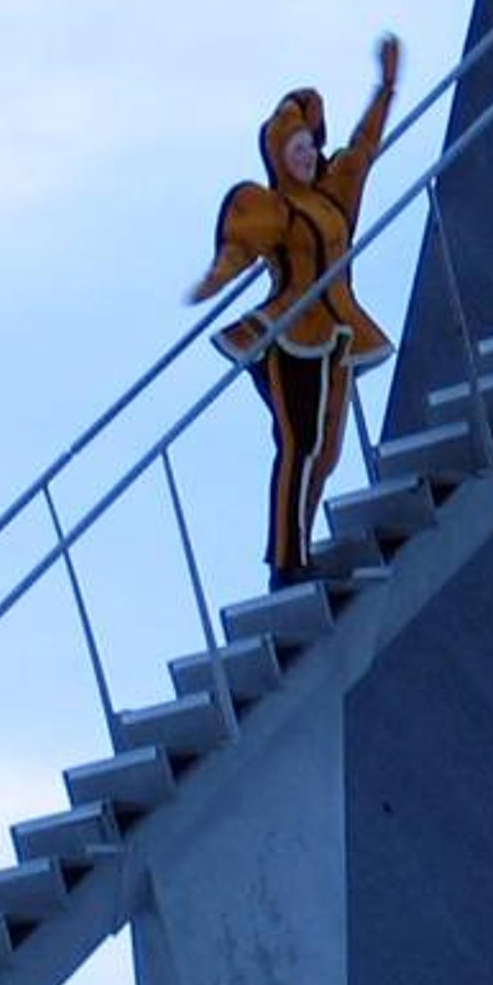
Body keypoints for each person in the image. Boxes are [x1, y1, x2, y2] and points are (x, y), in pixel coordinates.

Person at [186, 33, 403, 587]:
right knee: (298, 442)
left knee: (326, 450)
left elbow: (363, 148)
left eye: (308, 145)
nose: (305, 155)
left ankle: (299, 547)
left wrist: (386, 88)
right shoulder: (275, 207)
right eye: (294, 150)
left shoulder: (333, 194)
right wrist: (218, 276)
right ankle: (286, 561)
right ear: (279, 159)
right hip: (288, 335)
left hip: (336, 332)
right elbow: (241, 243)